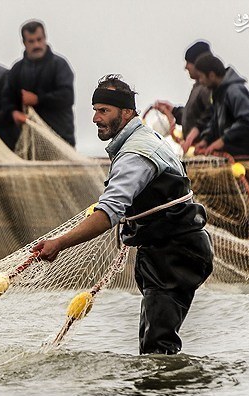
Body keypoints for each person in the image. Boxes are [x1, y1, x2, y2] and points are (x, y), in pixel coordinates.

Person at [33, 75, 213, 355]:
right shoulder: (142, 139)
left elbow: (107, 214)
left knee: (158, 349)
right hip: (167, 252)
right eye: (94, 109)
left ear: (127, 112)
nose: (94, 117)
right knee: (153, 343)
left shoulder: (135, 154)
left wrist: (59, 244)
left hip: (175, 255)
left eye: (104, 110)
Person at [4, 20, 76, 146]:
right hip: (29, 140)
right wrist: (14, 113)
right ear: (24, 43)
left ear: (45, 38)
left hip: (60, 138)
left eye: (39, 39)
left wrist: (38, 99)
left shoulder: (59, 65)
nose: (36, 45)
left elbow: (67, 96)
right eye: (31, 41)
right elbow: (7, 98)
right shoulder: (17, 69)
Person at [194, 54, 249, 156]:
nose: (200, 81)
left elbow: (247, 120)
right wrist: (206, 140)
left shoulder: (234, 91)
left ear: (211, 75)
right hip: (241, 148)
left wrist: (223, 140)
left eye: (201, 77)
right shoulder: (218, 93)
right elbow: (215, 122)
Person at [155, 41, 213, 152]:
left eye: (188, 62)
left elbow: (211, 118)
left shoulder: (206, 89)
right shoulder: (199, 87)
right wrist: (173, 110)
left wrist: (199, 139)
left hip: (205, 151)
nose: (186, 67)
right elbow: (195, 117)